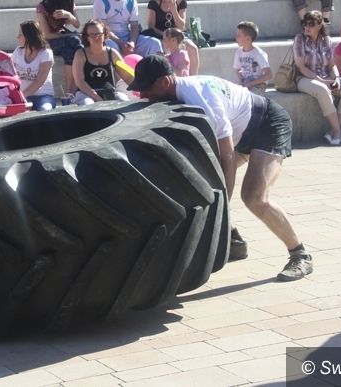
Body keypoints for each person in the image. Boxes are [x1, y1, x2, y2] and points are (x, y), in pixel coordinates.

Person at [129, 55, 313, 281]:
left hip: (267, 124)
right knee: (199, 186)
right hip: (242, 128)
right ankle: (233, 240)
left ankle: (300, 254)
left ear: (165, 82)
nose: (143, 95)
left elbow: (226, 156)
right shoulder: (174, 92)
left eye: (146, 89)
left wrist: (222, 207)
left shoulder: (199, 98)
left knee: (254, 197)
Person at [293, 11, 341, 145]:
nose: (307, 27)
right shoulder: (300, 39)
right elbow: (301, 67)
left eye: (311, 24)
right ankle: (338, 132)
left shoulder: (326, 40)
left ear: (319, 25)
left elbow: (332, 65)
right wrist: (321, 80)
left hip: (326, 76)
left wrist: (337, 78)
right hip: (304, 78)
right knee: (322, 89)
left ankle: (333, 130)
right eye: (305, 24)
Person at [93, 0, 163, 57]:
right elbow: (103, 28)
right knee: (111, 47)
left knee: (154, 43)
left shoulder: (131, 1)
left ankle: (154, 66)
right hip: (109, 38)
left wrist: (132, 42)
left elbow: (134, 26)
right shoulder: (101, 1)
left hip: (127, 36)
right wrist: (121, 43)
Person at [142, 0, 199, 74]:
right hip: (159, 34)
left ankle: (193, 77)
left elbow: (181, 26)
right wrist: (165, 35)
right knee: (161, 46)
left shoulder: (181, 2)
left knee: (192, 47)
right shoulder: (154, 3)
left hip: (176, 35)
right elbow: (151, 26)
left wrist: (174, 10)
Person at [36, 0, 82, 95]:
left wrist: (69, 15)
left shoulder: (68, 4)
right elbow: (47, 35)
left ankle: (71, 90)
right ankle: (76, 88)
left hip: (64, 38)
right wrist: (68, 35)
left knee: (70, 51)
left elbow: (77, 24)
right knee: (76, 41)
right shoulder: (43, 7)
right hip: (51, 41)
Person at [72, 19, 133, 105]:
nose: (96, 37)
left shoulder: (112, 53)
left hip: (110, 92)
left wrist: (142, 90)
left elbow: (128, 77)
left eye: (99, 34)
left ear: (105, 35)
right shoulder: (80, 54)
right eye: (92, 35)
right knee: (89, 105)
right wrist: (97, 97)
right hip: (86, 94)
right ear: (87, 37)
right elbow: (79, 81)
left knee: (124, 102)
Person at [11, 20, 56, 110]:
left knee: (44, 109)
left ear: (29, 36)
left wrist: (21, 96)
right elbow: (10, 74)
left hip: (43, 96)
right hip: (23, 96)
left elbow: (39, 81)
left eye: (20, 34)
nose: (17, 37)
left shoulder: (46, 53)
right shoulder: (18, 52)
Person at [233, 21, 272, 94]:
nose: (236, 37)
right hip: (246, 83)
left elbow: (269, 75)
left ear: (248, 39)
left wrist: (250, 84)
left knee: (246, 96)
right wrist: (241, 79)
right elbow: (237, 69)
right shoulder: (238, 52)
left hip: (258, 85)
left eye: (239, 35)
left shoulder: (258, 53)